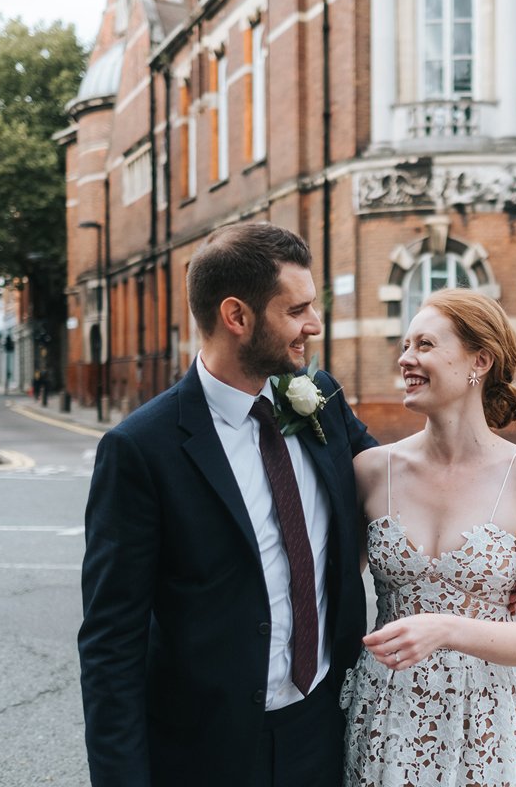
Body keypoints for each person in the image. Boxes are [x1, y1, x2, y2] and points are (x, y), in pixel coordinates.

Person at [78, 222, 377, 786]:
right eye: (297, 311)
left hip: (323, 729)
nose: (314, 325)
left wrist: (501, 542)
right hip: (206, 752)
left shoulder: (323, 403)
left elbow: (398, 481)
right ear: (236, 317)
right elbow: (110, 646)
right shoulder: (141, 449)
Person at [342, 289, 516, 787]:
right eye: (405, 345)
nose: (406, 359)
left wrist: (446, 629)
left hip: (492, 718)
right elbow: (323, 588)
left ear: (479, 361)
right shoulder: (370, 471)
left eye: (425, 344)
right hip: (388, 710)